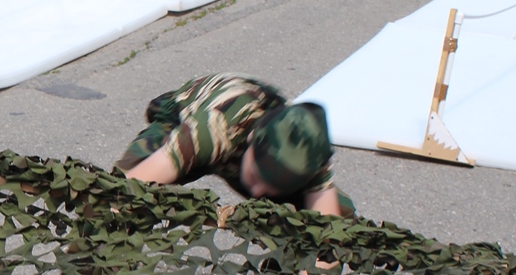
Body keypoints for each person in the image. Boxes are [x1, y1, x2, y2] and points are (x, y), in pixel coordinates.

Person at [115, 74, 353, 217]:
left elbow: (328, 238)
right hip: (181, 125)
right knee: (112, 195)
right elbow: (126, 191)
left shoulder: (307, 153)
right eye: (258, 178)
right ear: (252, 140)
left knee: (343, 220)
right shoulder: (212, 130)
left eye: (271, 186)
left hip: (243, 153)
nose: (257, 194)